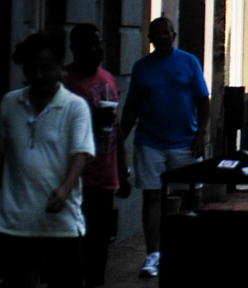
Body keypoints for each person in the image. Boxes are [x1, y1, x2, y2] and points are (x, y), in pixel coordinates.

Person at [1, 33, 96, 288]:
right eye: (31, 69)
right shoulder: (10, 103)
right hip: (16, 222)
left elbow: (81, 153)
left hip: (61, 223)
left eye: (45, 68)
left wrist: (65, 188)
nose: (39, 75)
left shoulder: (75, 107)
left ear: (60, 66)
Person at [119, 17, 210, 279]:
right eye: (155, 34)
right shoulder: (141, 67)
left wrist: (201, 134)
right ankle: (153, 254)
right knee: (152, 198)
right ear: (150, 38)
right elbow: (132, 105)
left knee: (191, 196)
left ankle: (184, 249)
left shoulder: (189, 62)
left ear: (174, 34)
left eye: (165, 32)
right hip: (150, 142)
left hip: (185, 141)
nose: (161, 37)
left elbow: (203, 100)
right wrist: (121, 137)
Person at [62, 24, 129, 287]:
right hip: (75, 178)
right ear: (74, 49)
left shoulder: (108, 78)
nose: (93, 49)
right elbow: (58, 126)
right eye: (86, 45)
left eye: (97, 44)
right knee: (73, 246)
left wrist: (122, 171)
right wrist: (92, 117)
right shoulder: (65, 81)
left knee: (99, 244)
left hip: (104, 174)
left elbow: (117, 126)